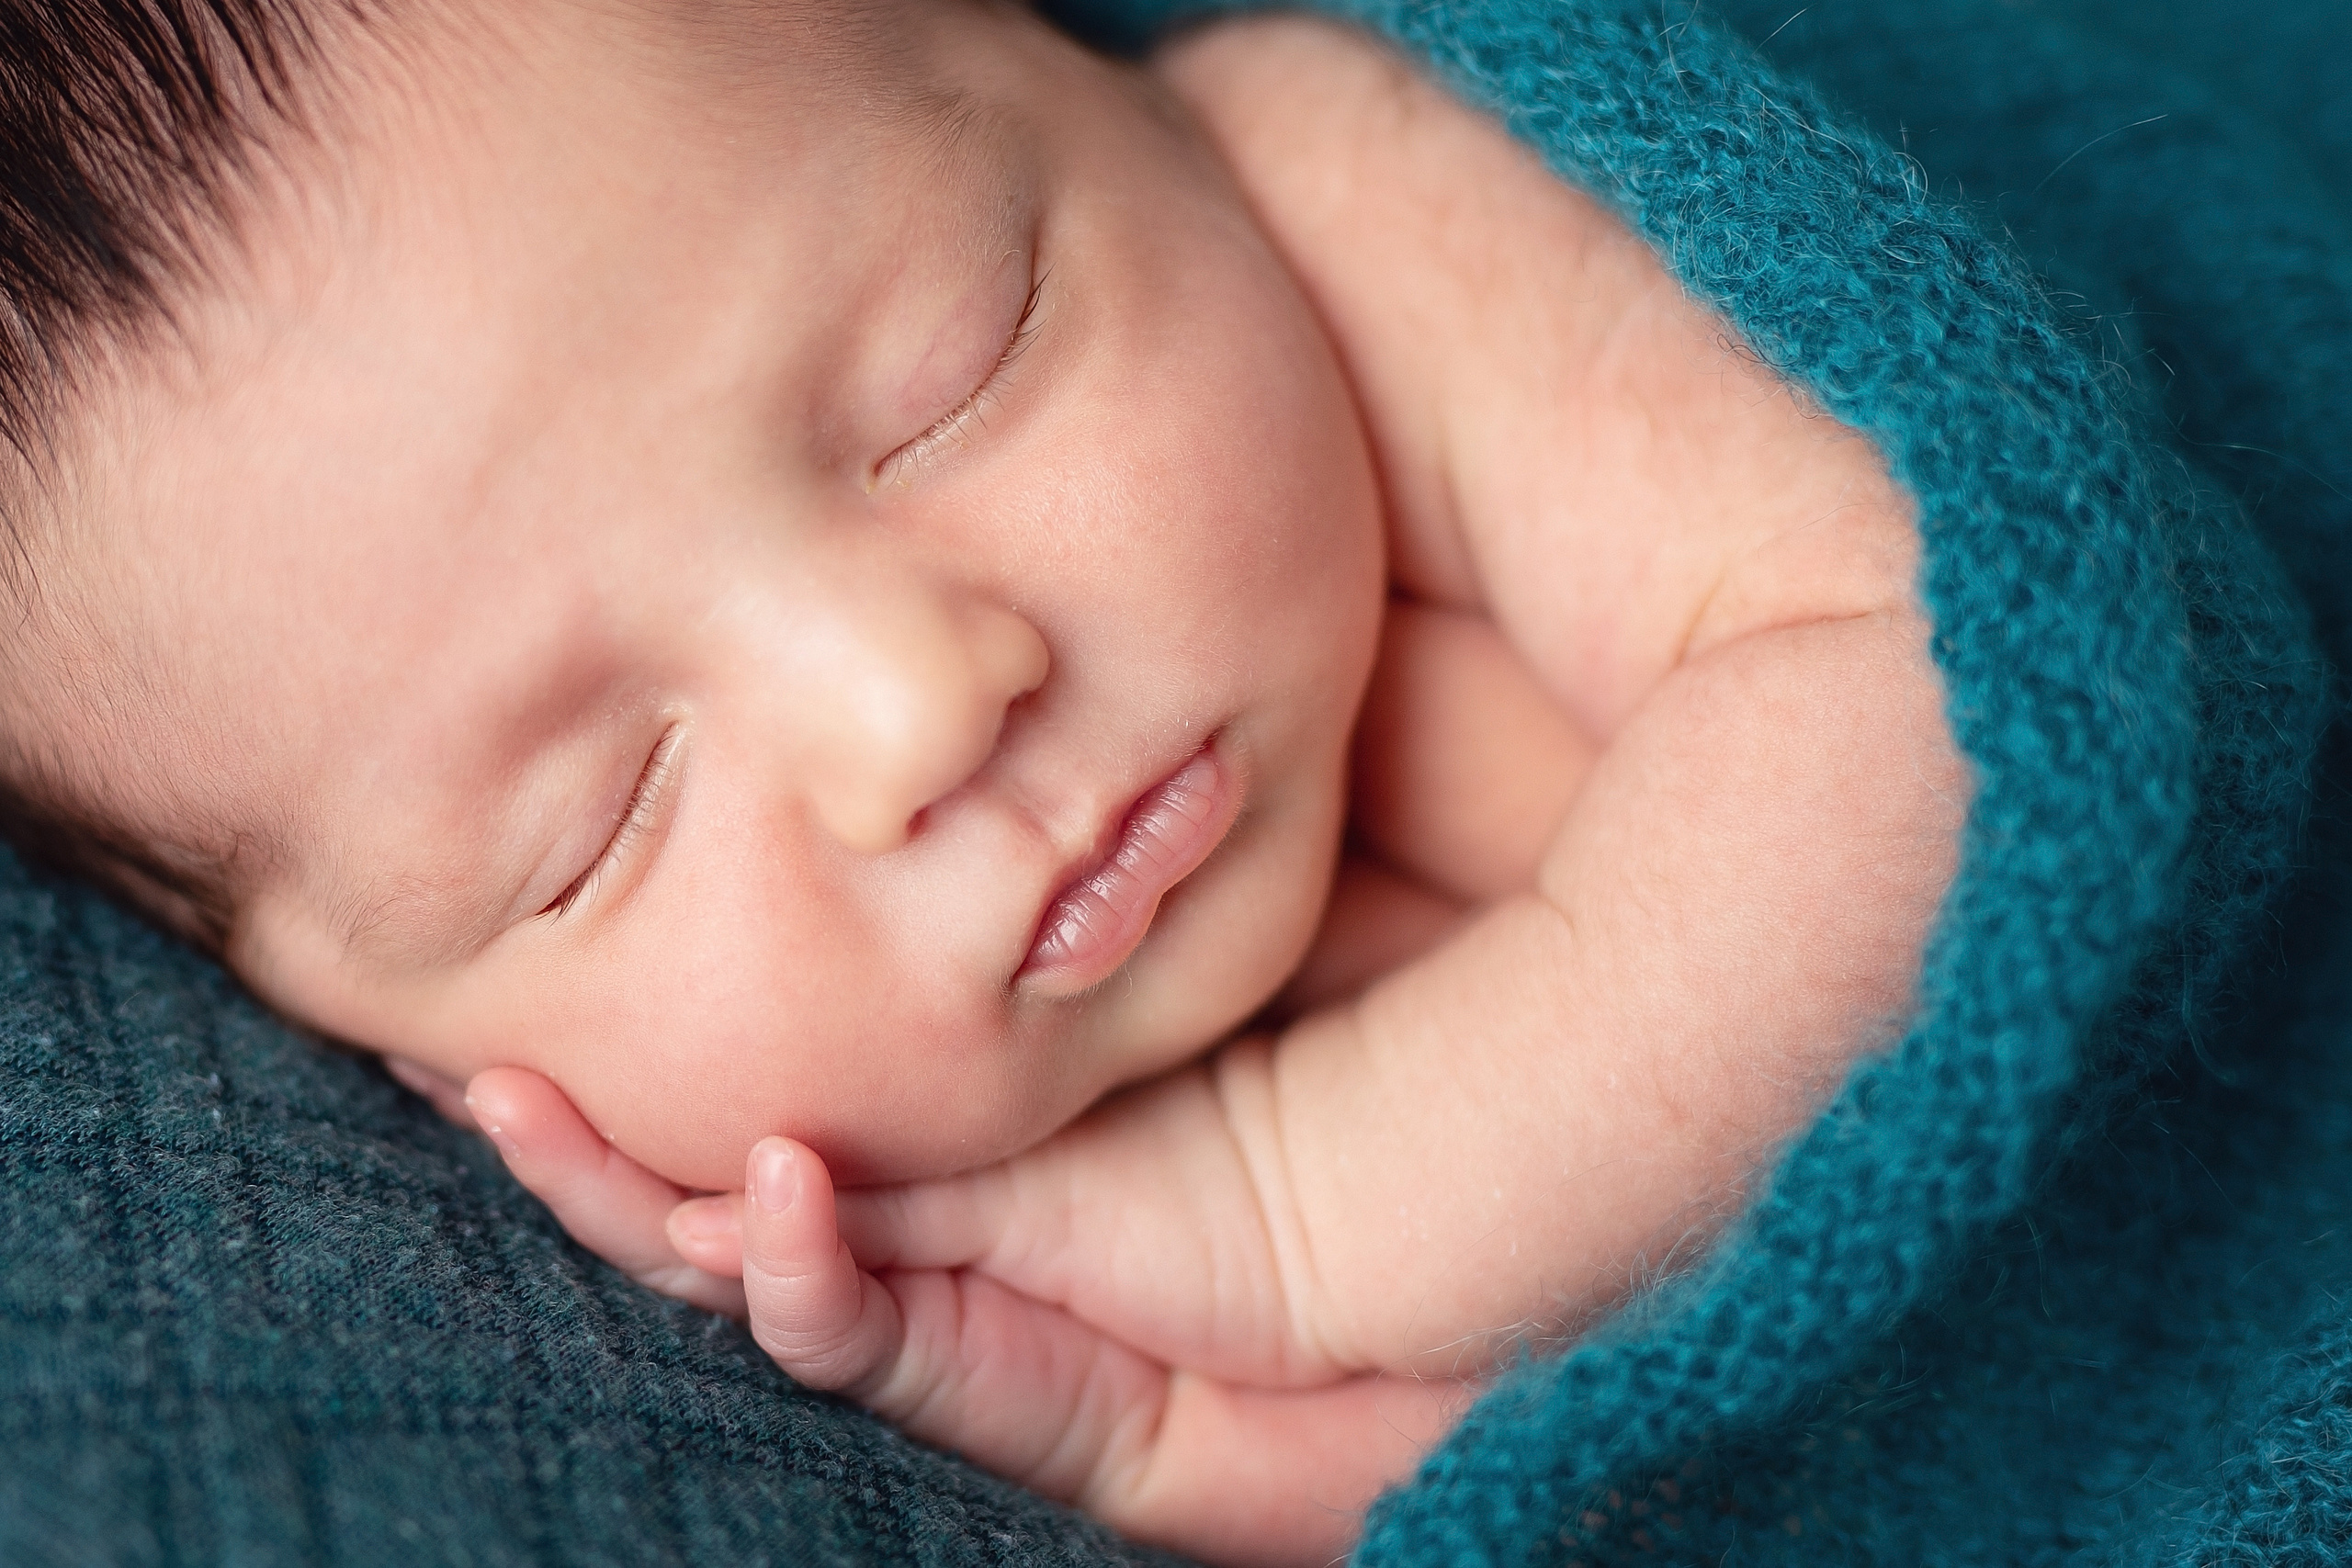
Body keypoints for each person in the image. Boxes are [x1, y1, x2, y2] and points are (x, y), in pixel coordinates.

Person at [0, 0, 1963, 1561]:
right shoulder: (931, 1225)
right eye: (594, 830)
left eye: (957, 367)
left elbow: (1944, 694)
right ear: (403, 1069)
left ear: (1058, 61)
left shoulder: (1360, 191)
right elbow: (1613, 1472)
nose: (915, 707)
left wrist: (1275, 1222)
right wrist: (1145, 1424)